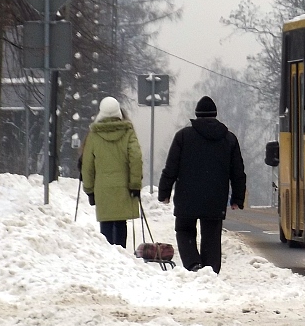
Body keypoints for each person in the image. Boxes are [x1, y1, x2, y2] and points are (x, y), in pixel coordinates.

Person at [158, 96, 246, 273]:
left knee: (184, 230)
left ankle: (193, 264)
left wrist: (164, 192)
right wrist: (237, 197)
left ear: (196, 115)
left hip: (186, 197)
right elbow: (237, 172)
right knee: (212, 235)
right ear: (215, 115)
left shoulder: (183, 137)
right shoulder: (229, 139)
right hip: (215, 197)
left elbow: (171, 168)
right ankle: (210, 270)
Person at [81, 96, 143, 248]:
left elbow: (87, 165)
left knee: (106, 223)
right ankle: (121, 252)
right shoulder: (128, 132)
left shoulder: (94, 135)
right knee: (121, 222)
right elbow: (136, 158)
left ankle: (108, 256)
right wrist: (135, 184)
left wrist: (89, 189)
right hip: (123, 186)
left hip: (102, 188)